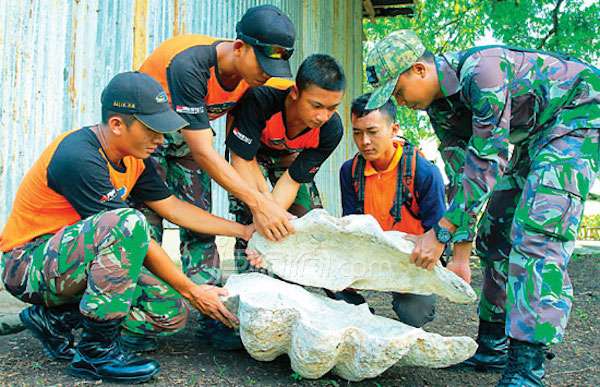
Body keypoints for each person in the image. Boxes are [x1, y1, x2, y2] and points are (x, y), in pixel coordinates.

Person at [365, 30, 599, 386]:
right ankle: (494, 344)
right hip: (535, 133)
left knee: (538, 231)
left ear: (419, 70)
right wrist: (460, 252)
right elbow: (463, 177)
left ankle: (526, 367)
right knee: (496, 230)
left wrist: (440, 231)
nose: (401, 102)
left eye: (398, 91)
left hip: (576, 116)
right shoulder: (440, 108)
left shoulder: (483, 71)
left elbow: (489, 159)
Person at [0, 72, 253, 383]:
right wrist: (193, 289)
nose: (161, 140)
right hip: (27, 265)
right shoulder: (78, 156)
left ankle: (56, 320)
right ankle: (95, 353)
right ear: (118, 124)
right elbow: (127, 233)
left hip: (74, 265)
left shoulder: (133, 158)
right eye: (152, 130)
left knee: (171, 311)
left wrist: (242, 231)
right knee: (129, 221)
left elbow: (173, 207)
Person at [138, 4, 296, 288]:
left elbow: (239, 148)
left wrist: (270, 205)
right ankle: (145, 311)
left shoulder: (253, 79)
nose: (266, 74)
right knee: (148, 224)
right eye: (262, 64)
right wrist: (258, 203)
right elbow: (202, 149)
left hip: (190, 141)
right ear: (239, 47)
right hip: (148, 140)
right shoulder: (190, 64)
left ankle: (210, 303)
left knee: (199, 220)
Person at [327, 93, 446, 327]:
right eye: (357, 133)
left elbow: (438, 232)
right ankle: (360, 315)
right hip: (370, 255)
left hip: (409, 260)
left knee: (415, 314)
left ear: (394, 129)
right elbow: (351, 225)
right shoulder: (350, 171)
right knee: (327, 270)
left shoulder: (423, 173)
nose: (364, 142)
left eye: (372, 131)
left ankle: (408, 302)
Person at [226, 54, 345, 271]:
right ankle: (249, 279)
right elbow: (242, 158)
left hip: (289, 154)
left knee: (300, 219)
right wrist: (260, 213)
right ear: (295, 94)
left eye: (332, 108)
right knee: (249, 213)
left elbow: (292, 180)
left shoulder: (331, 130)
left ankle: (291, 279)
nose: (323, 116)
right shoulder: (261, 99)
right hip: (250, 152)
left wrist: (271, 217)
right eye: (316, 105)